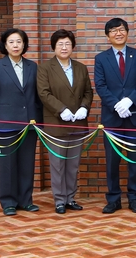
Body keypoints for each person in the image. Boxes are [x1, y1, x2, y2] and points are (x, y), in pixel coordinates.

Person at [93, 17, 136, 214]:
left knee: (135, 159)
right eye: (113, 31)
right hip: (112, 117)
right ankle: (113, 199)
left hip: (135, 115)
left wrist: (130, 101)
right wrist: (117, 104)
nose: (118, 33)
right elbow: (100, 86)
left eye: (121, 29)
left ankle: (135, 198)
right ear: (108, 36)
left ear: (127, 32)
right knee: (112, 161)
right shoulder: (101, 59)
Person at [0, 27, 42, 216]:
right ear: (5, 45)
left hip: (29, 124)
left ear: (24, 44)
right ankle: (8, 201)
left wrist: (39, 123)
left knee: (27, 163)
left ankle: (26, 200)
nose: (16, 45)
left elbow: (37, 96)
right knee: (7, 164)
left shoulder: (33, 66)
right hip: (6, 124)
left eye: (19, 41)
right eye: (11, 42)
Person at [36, 29, 94, 214]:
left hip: (77, 123)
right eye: (60, 44)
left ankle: (70, 197)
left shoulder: (80, 67)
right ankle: (60, 199)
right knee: (58, 163)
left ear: (73, 46)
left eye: (67, 43)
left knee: (73, 164)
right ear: (53, 46)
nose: (64, 47)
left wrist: (85, 107)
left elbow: (88, 92)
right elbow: (44, 93)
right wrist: (62, 110)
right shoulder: (45, 68)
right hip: (56, 123)